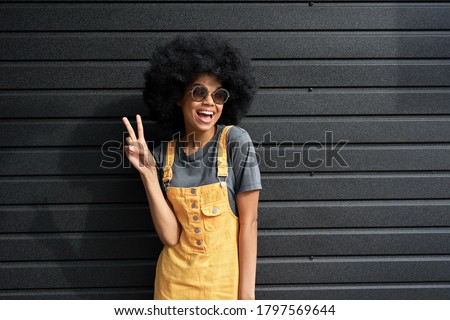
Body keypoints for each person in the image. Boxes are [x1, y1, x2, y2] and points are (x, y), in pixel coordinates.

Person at [121, 33, 261, 300]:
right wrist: (149, 175)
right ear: (177, 96)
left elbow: (250, 222)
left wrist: (247, 298)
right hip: (172, 288)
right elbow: (171, 237)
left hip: (223, 288)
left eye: (219, 95)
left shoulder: (236, 142)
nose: (209, 102)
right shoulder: (164, 155)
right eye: (199, 92)